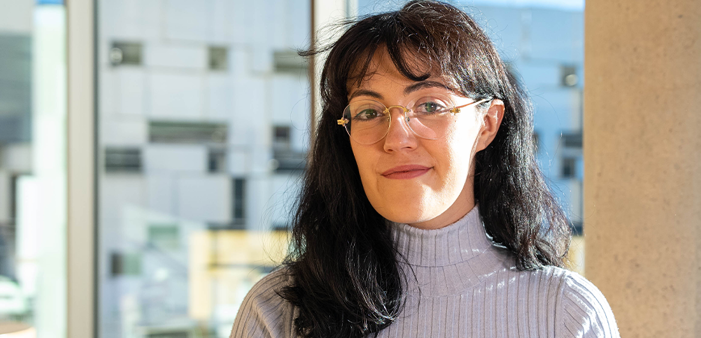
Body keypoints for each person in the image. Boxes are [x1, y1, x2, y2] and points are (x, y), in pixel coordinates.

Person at [231, 1, 618, 337]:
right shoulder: (278, 310)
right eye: (369, 112)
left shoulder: (566, 313)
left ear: (487, 125)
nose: (396, 138)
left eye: (430, 106)